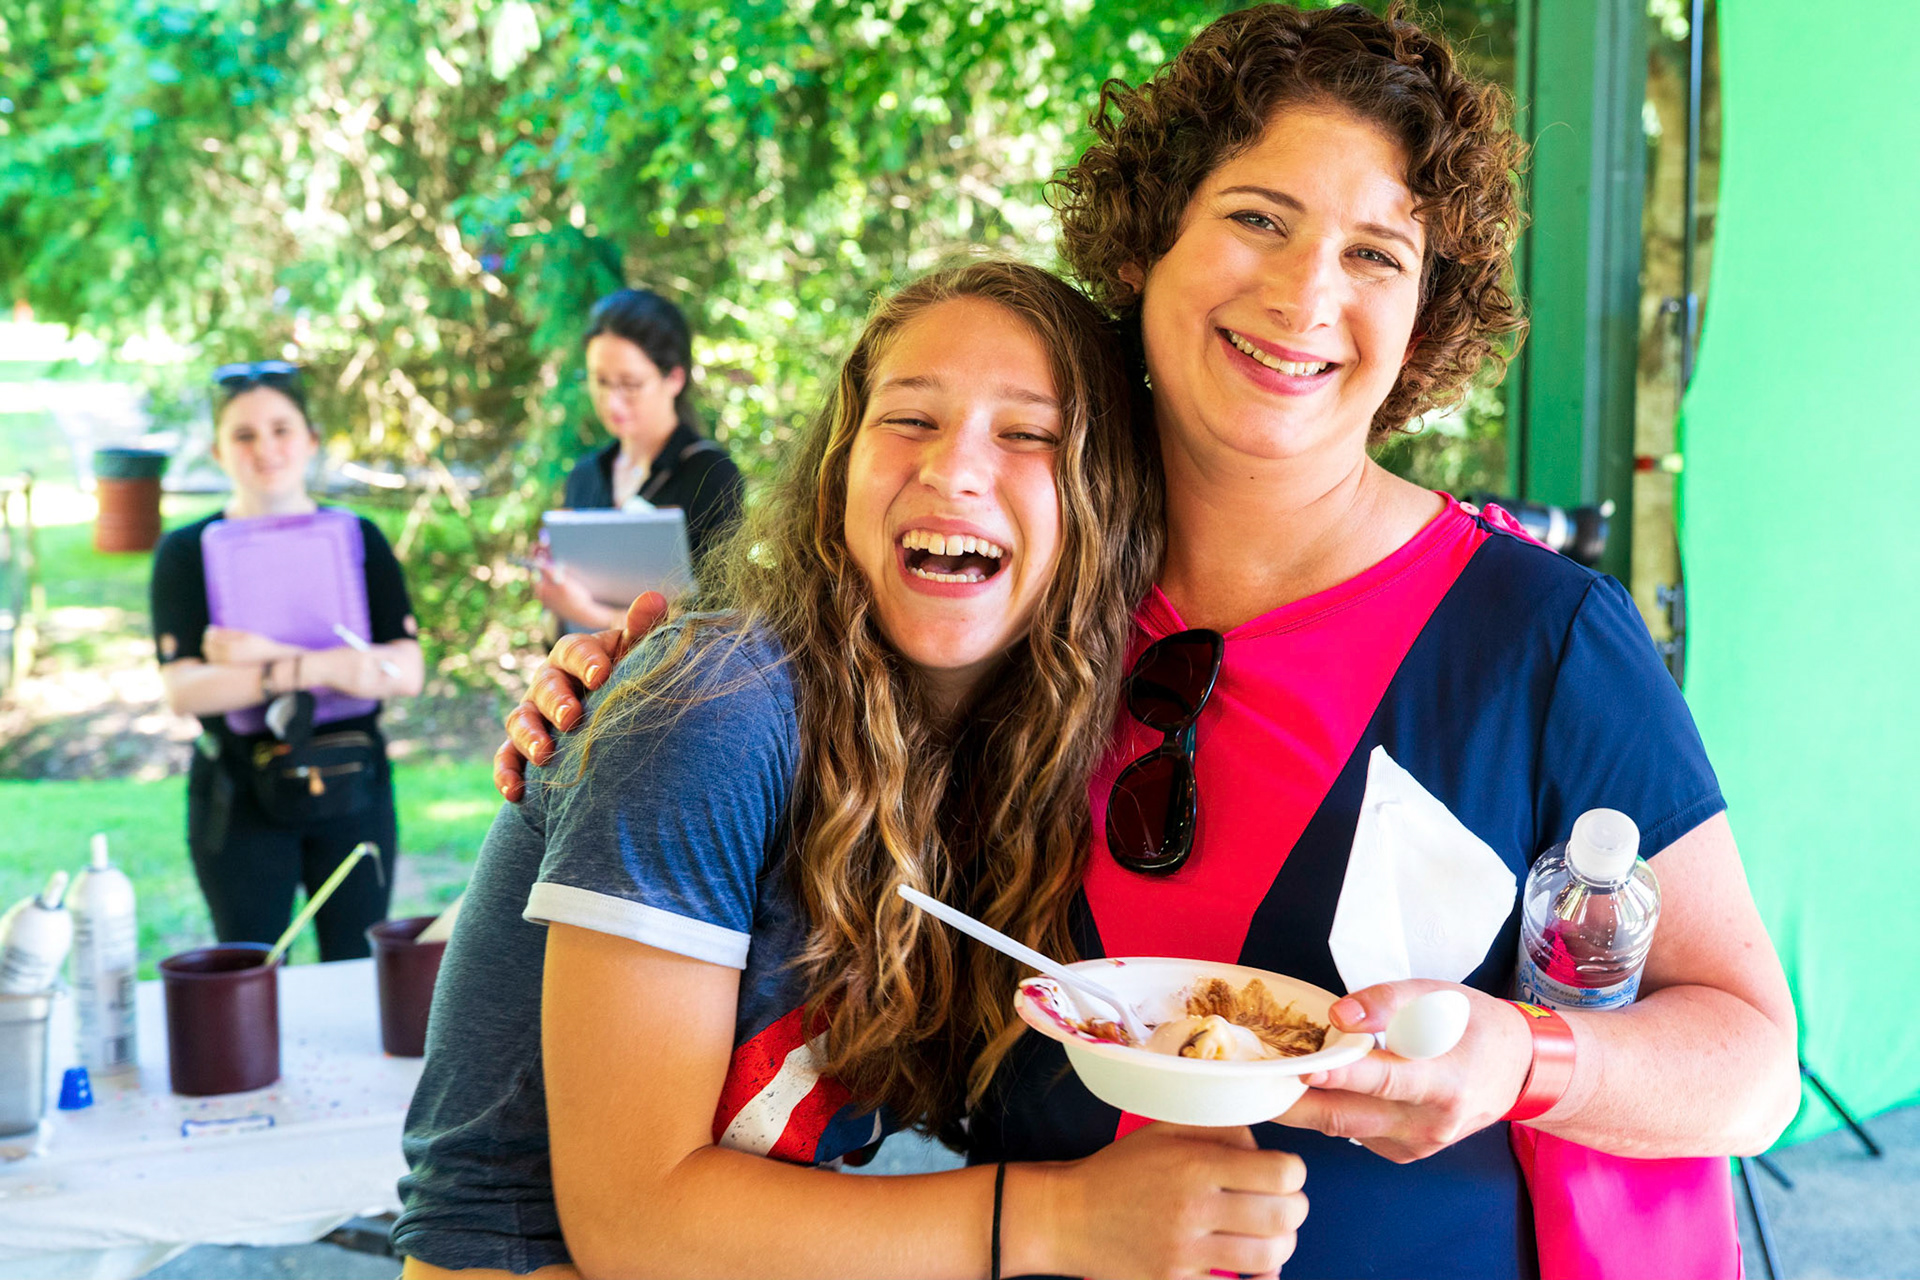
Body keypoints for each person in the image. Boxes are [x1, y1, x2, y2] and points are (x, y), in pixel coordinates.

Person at [501, 6, 1800, 1277]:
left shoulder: (1543, 637)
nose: (1305, 294)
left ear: (1427, 319)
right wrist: (621, 695)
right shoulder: (1013, 594)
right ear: (1148, 246)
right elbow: (780, 711)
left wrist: (1526, 1058)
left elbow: (1750, 1070)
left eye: (1376, 255)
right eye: (1257, 219)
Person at [397, 260, 1310, 1280]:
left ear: (1105, 503)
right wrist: (1065, 1218)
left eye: (1029, 433)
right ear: (839, 471)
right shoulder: (716, 706)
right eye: (910, 419)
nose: (954, 468)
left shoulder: (1008, 767)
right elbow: (633, 1218)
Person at [152, 362, 424, 961]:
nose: (265, 449)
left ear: (311, 439)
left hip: (354, 787)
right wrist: (331, 666)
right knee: (252, 972)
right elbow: (187, 691)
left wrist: (267, 660)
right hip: (238, 792)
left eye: (280, 429)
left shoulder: (359, 539)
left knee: (355, 969)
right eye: (244, 435)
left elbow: (403, 672)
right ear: (218, 451)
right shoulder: (185, 552)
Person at [535, 288, 746, 632]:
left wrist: (591, 614)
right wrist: (553, 588)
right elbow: (556, 630)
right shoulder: (586, 476)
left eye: (630, 384)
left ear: (674, 378)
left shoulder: (710, 474)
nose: (612, 402)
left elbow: (721, 622)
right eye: (600, 382)